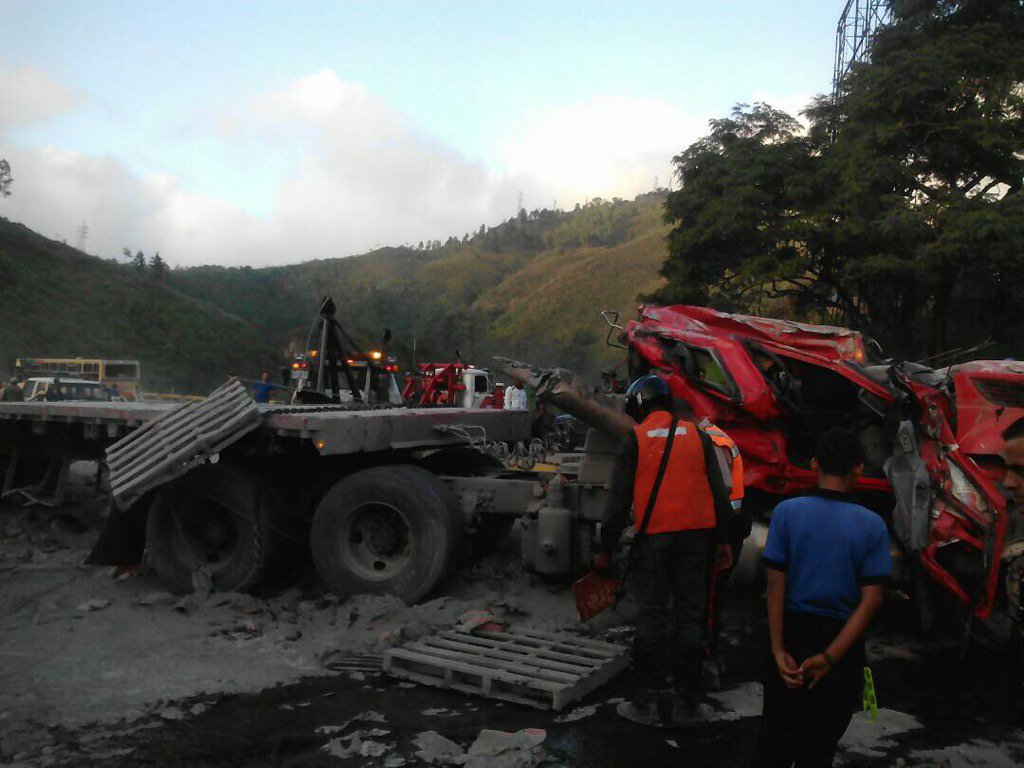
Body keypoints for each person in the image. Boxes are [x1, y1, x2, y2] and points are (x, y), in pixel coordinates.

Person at [597, 374, 733, 724]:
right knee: (692, 614)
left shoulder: (636, 440)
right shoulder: (698, 437)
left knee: (653, 617)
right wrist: (724, 541)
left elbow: (617, 503)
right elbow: (719, 492)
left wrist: (605, 548)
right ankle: (688, 701)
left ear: (640, 403)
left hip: (655, 540)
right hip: (697, 539)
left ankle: (647, 701)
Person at [755, 428, 891, 768]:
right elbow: (872, 600)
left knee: (774, 741)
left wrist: (777, 649)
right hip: (840, 645)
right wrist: (830, 658)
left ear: (815, 463)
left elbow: (774, 585)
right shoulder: (873, 526)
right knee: (817, 750)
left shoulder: (787, 512)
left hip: (790, 634)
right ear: (859, 469)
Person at [698, 415, 748, 689]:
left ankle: (707, 664)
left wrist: (721, 539)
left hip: (723, 527)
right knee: (710, 598)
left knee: (709, 598)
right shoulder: (716, 435)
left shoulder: (711, 441)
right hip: (729, 524)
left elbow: (721, 491)